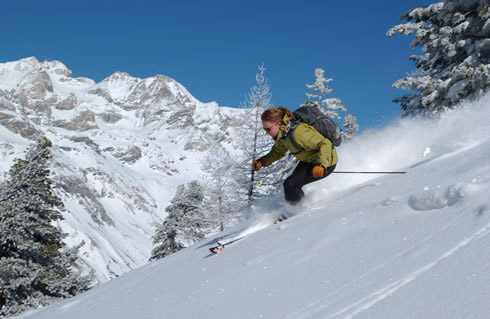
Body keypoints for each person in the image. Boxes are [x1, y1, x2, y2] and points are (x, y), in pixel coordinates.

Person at [252, 106, 338, 205]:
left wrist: (321, 164)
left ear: (278, 124)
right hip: (309, 161)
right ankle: (300, 206)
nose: (266, 133)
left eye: (268, 129)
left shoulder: (298, 133)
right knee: (291, 184)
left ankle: (295, 211)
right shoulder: (284, 135)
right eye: (265, 129)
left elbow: (325, 143)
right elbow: (278, 151)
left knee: (291, 184)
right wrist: (263, 161)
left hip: (325, 162)